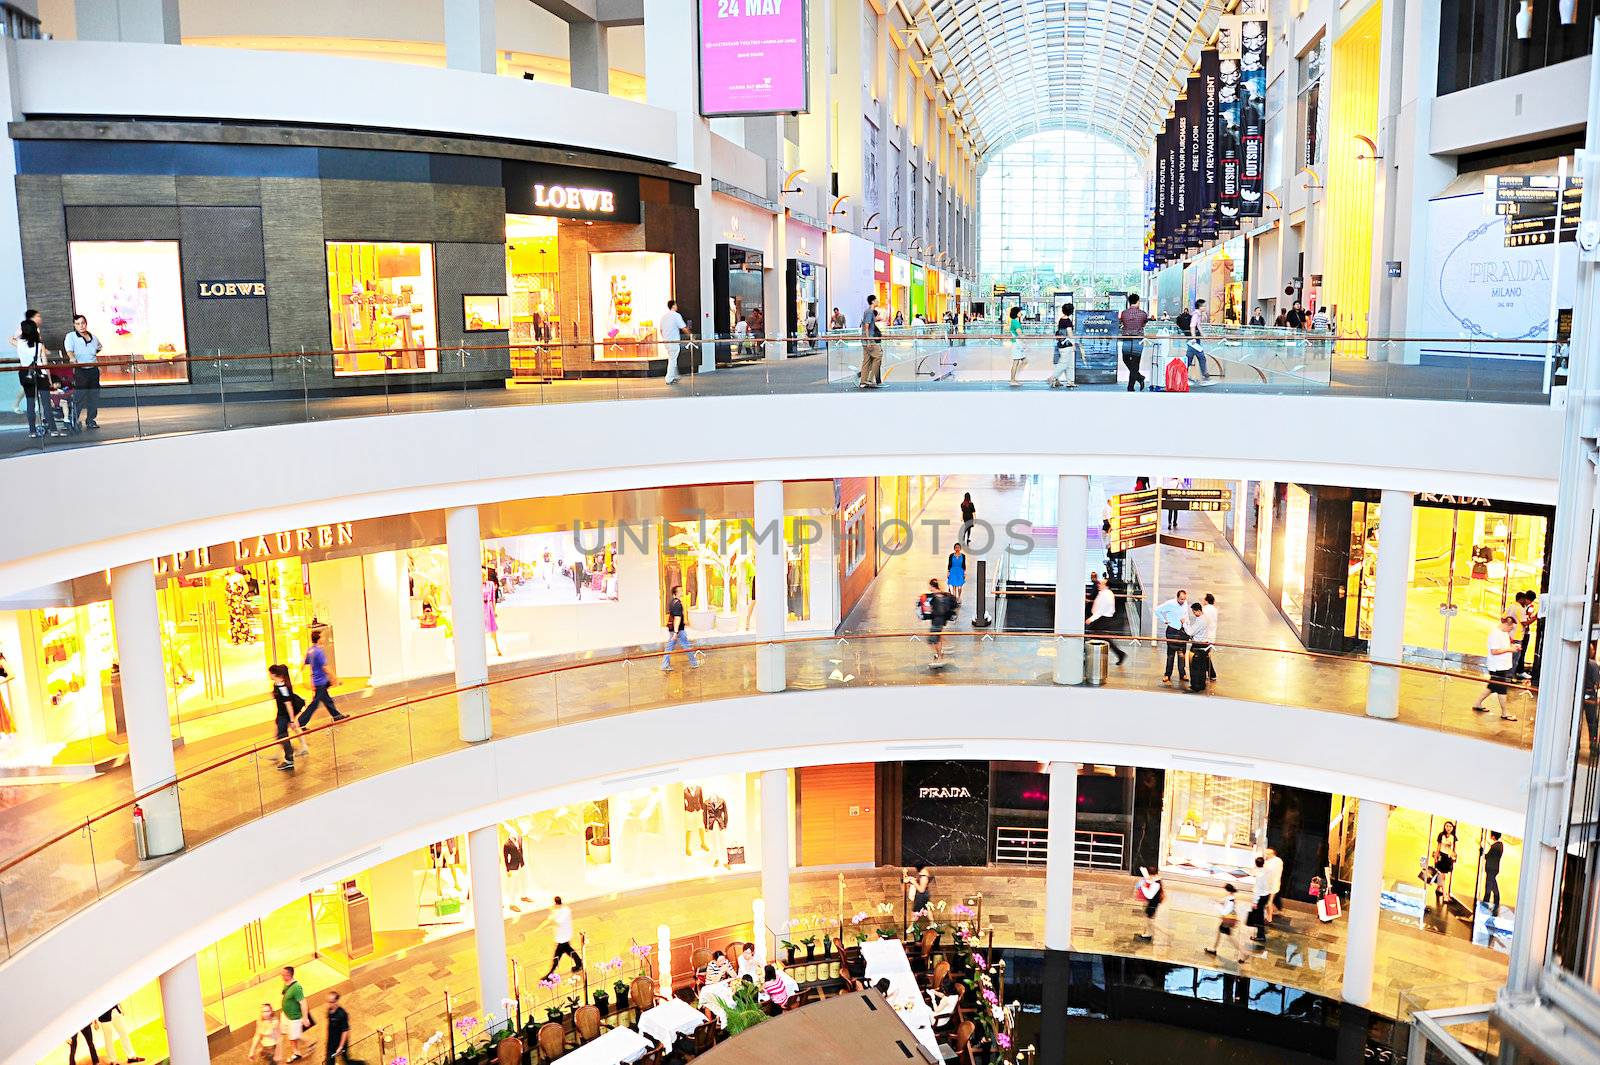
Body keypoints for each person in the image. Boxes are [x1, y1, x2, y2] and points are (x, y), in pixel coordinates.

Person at [1471, 614, 1520, 721]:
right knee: (1502, 689)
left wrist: (1512, 647)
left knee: (1492, 686)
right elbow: (1494, 651)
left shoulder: (1504, 633)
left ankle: (1477, 703)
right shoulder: (1495, 634)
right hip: (1497, 667)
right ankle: (1505, 713)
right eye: (1511, 627)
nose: (1511, 630)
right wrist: (1510, 650)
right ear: (1507, 624)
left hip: (1502, 665)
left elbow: (1503, 647)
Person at [17, 314, 57, 438]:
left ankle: (32, 431)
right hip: (40, 374)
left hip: (26, 374)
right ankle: (53, 429)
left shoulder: (19, 343)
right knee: (46, 402)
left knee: (30, 403)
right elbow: (44, 363)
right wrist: (49, 379)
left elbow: (15, 338)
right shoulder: (39, 345)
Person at [300, 629, 345, 729]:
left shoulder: (310, 650)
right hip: (320, 682)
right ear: (318, 639)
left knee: (327, 701)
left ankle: (337, 716)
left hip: (317, 681)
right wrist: (335, 678)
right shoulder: (319, 652)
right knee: (315, 704)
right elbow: (325, 667)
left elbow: (305, 663)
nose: (324, 638)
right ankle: (300, 722)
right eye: (322, 637)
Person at [65, 314, 103, 431]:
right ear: (74, 325)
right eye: (78, 324)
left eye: (83, 323)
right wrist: (72, 358)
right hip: (81, 369)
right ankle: (73, 419)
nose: (81, 326)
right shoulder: (71, 336)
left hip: (93, 369)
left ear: (86, 323)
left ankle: (91, 420)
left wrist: (96, 363)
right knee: (80, 395)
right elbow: (69, 351)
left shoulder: (93, 337)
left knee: (94, 395)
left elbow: (98, 348)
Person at [270, 664, 307, 771]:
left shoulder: (283, 688)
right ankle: (287, 753)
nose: (269, 675)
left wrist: (291, 720)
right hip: (281, 714)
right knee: (280, 734)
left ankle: (289, 759)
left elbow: (288, 705)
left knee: (282, 735)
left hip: (285, 715)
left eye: (270, 673)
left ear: (275, 674)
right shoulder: (277, 685)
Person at [1086, 572, 1126, 666]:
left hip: (1103, 618)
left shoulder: (1106, 595)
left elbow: (1101, 610)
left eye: (1101, 583)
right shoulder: (1103, 593)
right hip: (1101, 618)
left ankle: (1091, 657)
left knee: (1092, 634)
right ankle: (1119, 654)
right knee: (1102, 637)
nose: (1099, 584)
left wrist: (1091, 619)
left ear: (1106, 586)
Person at [661, 583, 703, 671]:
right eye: (680, 591)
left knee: (670, 646)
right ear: (675, 593)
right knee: (686, 645)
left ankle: (665, 665)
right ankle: (694, 663)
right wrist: (676, 632)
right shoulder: (677, 604)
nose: (682, 592)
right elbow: (677, 618)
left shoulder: (673, 602)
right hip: (678, 630)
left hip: (674, 629)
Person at [542, 896, 584, 977]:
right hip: (564, 937)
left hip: (563, 937)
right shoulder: (564, 909)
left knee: (557, 956)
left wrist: (553, 912)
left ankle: (550, 974)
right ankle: (579, 963)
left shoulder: (563, 911)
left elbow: (558, 921)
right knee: (569, 951)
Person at [1204, 884, 1247, 962]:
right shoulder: (1231, 897)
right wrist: (1215, 901)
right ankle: (1214, 949)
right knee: (1219, 932)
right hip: (1229, 919)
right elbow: (1223, 902)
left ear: (1227, 890)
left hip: (1228, 920)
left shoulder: (1230, 899)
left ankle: (1243, 953)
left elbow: (1224, 911)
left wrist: (1215, 905)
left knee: (1230, 938)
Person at [1154, 589, 1190, 685]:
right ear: (1177, 597)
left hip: (1182, 631)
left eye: (1184, 599)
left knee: (1182, 654)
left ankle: (1182, 674)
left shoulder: (1185, 604)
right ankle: (1167, 674)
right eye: (1181, 599)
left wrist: (1188, 627)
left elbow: (1186, 616)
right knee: (1170, 654)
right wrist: (1164, 620)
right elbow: (1157, 610)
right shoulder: (1170, 603)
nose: (1183, 601)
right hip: (1172, 630)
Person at [1118, 293, 1151, 391]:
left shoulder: (1124, 313)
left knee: (1126, 359)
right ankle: (1137, 380)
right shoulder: (1143, 314)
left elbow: (1122, 323)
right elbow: (1144, 324)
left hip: (1127, 339)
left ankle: (1133, 384)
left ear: (1129, 302)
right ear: (1138, 301)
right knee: (1135, 363)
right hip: (1138, 341)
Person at [922, 578, 957, 667]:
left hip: (936, 621)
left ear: (933, 586)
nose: (929, 588)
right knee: (937, 638)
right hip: (941, 620)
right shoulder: (942, 595)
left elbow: (932, 609)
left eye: (930, 586)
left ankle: (939, 656)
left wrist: (926, 609)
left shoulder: (934, 597)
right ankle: (940, 654)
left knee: (932, 640)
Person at [1185, 601, 1215, 693]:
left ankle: (1196, 685)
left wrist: (1184, 624)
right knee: (1202, 668)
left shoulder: (1200, 621)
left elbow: (1190, 632)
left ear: (1197, 610)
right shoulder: (1206, 618)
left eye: (1194, 612)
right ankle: (1202, 684)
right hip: (1205, 645)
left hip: (1197, 646)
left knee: (1195, 668)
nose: (1194, 614)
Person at [280, 966, 307, 1063]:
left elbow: (303, 1002)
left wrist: (305, 1017)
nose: (281, 976)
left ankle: (296, 1053)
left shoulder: (296, 987)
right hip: (286, 1015)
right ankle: (309, 1042)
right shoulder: (286, 983)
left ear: (289, 975)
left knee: (292, 1036)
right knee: (292, 1034)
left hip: (294, 1017)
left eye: (283, 974)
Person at [660, 298, 690, 384]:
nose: (677, 306)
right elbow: (683, 327)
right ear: (673, 306)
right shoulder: (676, 315)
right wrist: (690, 336)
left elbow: (661, 330)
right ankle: (669, 379)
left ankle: (675, 376)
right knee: (673, 359)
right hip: (673, 341)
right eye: (676, 304)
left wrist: (665, 337)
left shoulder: (664, 317)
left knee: (673, 358)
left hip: (666, 341)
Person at [859, 295, 883, 388]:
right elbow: (866, 326)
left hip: (865, 340)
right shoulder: (869, 312)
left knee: (866, 360)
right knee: (878, 356)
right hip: (869, 339)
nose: (878, 301)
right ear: (873, 301)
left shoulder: (869, 312)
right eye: (876, 300)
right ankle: (869, 379)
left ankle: (863, 382)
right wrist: (869, 341)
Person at [1433, 822, 1459, 910]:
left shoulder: (1453, 837)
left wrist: (1454, 856)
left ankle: (1438, 888)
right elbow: (1438, 847)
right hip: (1441, 856)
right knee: (1442, 876)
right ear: (1444, 827)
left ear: (1453, 828)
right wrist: (1435, 857)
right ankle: (1445, 895)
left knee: (1442, 875)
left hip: (1448, 858)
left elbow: (1454, 849)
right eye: (1447, 826)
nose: (1448, 828)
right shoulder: (1441, 835)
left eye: (1450, 826)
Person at [1135, 867, 1164, 941]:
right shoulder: (1156, 880)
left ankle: (1148, 935)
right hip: (1153, 903)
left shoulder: (1156, 884)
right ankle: (1148, 933)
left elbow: (1149, 895)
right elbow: (1149, 880)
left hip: (1153, 904)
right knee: (1148, 917)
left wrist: (1143, 887)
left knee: (1149, 919)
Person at [1050, 302, 1075, 388]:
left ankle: (1070, 381)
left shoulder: (1061, 320)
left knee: (1069, 364)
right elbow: (1070, 333)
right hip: (1067, 345)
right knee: (1064, 364)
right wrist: (1074, 343)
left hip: (1061, 344)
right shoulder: (1068, 321)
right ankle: (1053, 378)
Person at [1184, 299, 1210, 380]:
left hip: (1194, 339)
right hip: (1193, 340)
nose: (1205, 307)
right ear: (1200, 307)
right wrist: (1194, 338)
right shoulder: (1196, 314)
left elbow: (1198, 326)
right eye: (1204, 306)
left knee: (1190, 357)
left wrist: (1203, 335)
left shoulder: (1198, 314)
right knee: (1200, 356)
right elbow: (1192, 326)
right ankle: (1205, 374)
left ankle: (1183, 373)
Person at [1248, 855, 1271, 947]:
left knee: (1258, 917)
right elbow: (1253, 871)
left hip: (1260, 897)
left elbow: (1257, 891)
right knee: (1260, 915)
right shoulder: (1265, 871)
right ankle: (1260, 934)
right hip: (1266, 895)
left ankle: (1261, 935)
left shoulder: (1259, 876)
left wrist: (1255, 902)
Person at [323, 991, 351, 1065]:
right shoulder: (330, 1010)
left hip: (340, 1043)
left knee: (346, 1061)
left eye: (331, 1002)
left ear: (336, 1001)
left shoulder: (342, 1014)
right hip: (331, 1043)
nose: (328, 1004)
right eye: (328, 1001)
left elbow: (345, 1031)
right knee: (329, 1062)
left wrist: (341, 1047)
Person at [1517, 590, 1539, 678]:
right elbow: (1525, 622)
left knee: (1520, 652)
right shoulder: (1524, 607)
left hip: (1522, 632)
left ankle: (1517, 670)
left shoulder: (1523, 606)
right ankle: (1519, 670)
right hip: (1523, 632)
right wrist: (1535, 617)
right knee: (1521, 652)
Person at [1483, 831, 1505, 917]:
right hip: (1493, 868)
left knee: (1489, 887)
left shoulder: (1496, 846)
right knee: (1493, 886)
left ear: (1492, 836)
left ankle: (1485, 906)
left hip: (1491, 868)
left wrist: (1484, 851)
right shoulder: (1499, 845)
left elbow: (1488, 856)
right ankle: (1495, 904)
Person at [482, 569, 502, 657]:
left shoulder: (490, 584)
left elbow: (493, 598)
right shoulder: (475, 585)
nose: (483, 577)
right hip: (480, 608)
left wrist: (494, 610)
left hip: (488, 608)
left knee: (493, 629)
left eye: (484, 575)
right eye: (482, 575)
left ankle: (497, 648)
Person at [1200, 594, 1219, 682]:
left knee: (1204, 656)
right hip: (1212, 636)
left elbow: (1201, 622)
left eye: (1203, 599)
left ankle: (1210, 674)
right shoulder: (1215, 610)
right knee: (1206, 655)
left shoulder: (1204, 609)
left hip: (1205, 637)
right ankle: (1211, 674)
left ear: (1206, 600)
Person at [1006, 305, 1026, 387]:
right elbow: (1020, 334)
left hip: (1018, 344)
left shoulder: (1015, 321)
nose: (1021, 313)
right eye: (1019, 312)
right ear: (1016, 313)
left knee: (1023, 361)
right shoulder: (1015, 322)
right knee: (1016, 363)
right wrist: (1025, 340)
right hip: (1017, 345)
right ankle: (1012, 379)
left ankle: (1014, 378)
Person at [1263, 847, 1285, 923]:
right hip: (1271, 885)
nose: (1266, 855)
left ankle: (1269, 918)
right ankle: (1270, 916)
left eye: (1268, 854)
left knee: (1269, 902)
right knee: (1269, 902)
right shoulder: (1275, 861)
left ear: (1272, 854)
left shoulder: (1275, 862)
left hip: (1272, 885)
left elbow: (1269, 872)